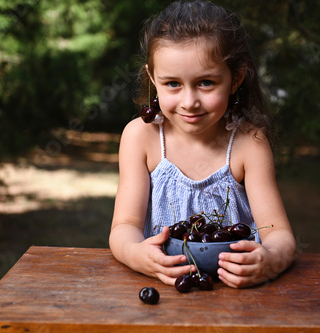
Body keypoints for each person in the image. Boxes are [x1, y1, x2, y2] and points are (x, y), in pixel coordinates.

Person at [109, 0, 296, 289]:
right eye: (172, 83)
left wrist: (270, 261)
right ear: (152, 78)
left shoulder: (248, 143)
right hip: (165, 291)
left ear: (235, 80)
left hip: (240, 298)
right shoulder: (140, 138)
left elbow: (280, 234)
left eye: (206, 82)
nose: (189, 101)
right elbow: (124, 228)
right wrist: (137, 254)